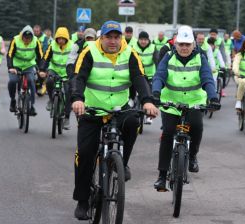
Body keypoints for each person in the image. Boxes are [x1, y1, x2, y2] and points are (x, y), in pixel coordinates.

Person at [70, 20, 159, 220]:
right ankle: (82, 200)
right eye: (108, 37)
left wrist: (147, 101)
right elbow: (78, 77)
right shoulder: (89, 51)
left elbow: (139, 78)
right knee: (84, 153)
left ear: (121, 38)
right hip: (92, 110)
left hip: (119, 109)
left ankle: (122, 163)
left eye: (116, 37)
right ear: (101, 38)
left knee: (135, 122)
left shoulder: (130, 53)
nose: (112, 41)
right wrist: (77, 99)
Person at [152, 25, 221, 191]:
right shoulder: (168, 57)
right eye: (181, 44)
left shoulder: (200, 58)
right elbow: (159, 76)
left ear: (193, 45)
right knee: (168, 133)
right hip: (171, 104)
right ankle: (162, 175)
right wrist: (155, 93)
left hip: (194, 102)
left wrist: (212, 97)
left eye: (187, 44)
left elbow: (207, 79)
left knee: (197, 127)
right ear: (175, 44)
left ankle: (192, 157)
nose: (184, 48)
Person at [39, 27, 72, 129]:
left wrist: (74, 74)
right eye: (59, 38)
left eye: (63, 38)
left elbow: (76, 60)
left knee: (68, 92)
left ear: (66, 38)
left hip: (67, 73)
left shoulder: (72, 46)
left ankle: (67, 118)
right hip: (54, 70)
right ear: (56, 38)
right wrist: (42, 70)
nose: (61, 40)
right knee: (49, 82)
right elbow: (45, 58)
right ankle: (50, 99)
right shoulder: (52, 45)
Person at [7, 25, 43, 115]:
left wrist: (40, 68)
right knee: (13, 81)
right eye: (25, 38)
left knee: (31, 81)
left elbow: (41, 56)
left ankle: (32, 106)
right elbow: (9, 54)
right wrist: (10, 67)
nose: (27, 40)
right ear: (21, 36)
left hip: (29, 65)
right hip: (16, 66)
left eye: (29, 38)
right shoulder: (15, 40)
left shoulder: (36, 41)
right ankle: (13, 100)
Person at [133, 31, 158, 124]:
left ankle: (149, 116)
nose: (143, 41)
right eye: (141, 39)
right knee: (132, 94)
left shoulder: (153, 48)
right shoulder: (133, 47)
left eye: (145, 40)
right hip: (136, 75)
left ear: (148, 40)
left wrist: (158, 73)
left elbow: (157, 61)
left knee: (150, 94)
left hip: (149, 76)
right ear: (138, 40)